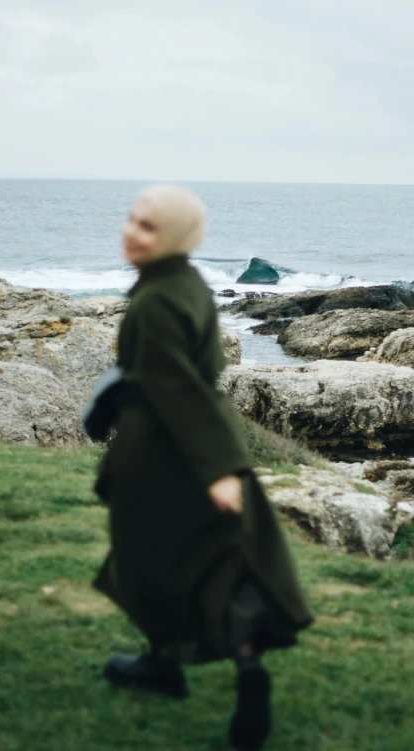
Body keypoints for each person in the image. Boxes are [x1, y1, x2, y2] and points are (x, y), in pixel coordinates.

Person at [92, 185, 313, 751]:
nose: (131, 231)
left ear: (172, 236)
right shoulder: (186, 284)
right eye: (131, 219)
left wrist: (217, 471)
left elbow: (176, 386)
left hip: (168, 452)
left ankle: (174, 668)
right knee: (217, 561)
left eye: (147, 225)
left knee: (152, 560)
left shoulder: (158, 298)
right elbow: (191, 370)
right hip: (197, 443)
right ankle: (217, 667)